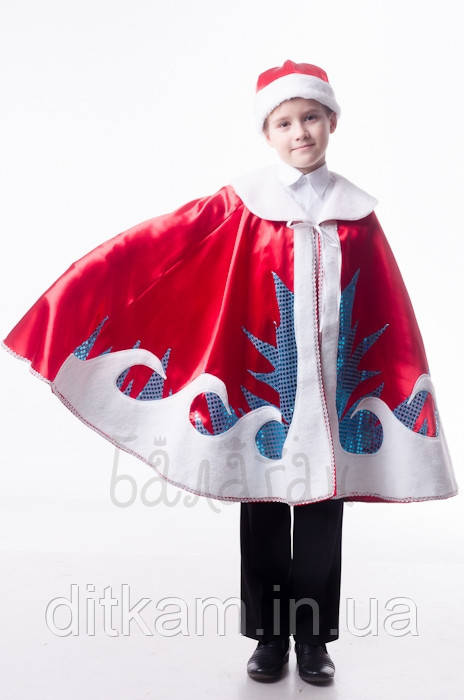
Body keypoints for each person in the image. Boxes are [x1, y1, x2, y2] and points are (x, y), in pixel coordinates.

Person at [2, 60, 458, 685]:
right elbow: (167, 247)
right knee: (264, 508)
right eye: (285, 123)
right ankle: (269, 638)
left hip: (333, 396)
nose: (300, 132)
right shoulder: (243, 205)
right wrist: (87, 293)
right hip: (261, 392)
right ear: (267, 133)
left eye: (311, 118)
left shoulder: (358, 215)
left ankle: (314, 640)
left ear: (333, 122)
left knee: (322, 515)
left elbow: (386, 306)